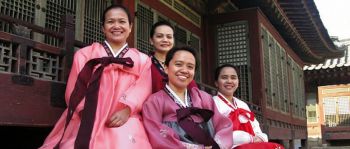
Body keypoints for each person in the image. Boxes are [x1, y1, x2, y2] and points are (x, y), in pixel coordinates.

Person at [40, 5, 152, 149]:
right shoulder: (85, 55)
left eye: (122, 22)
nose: (116, 26)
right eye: (111, 22)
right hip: (87, 115)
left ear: (130, 27)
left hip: (124, 118)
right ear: (103, 28)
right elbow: (75, 89)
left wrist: (127, 110)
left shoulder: (142, 60)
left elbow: (143, 90)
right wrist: (85, 112)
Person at [142, 46, 233, 149]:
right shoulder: (154, 101)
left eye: (190, 67)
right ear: (166, 68)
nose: (184, 70)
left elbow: (223, 125)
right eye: (178, 64)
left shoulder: (204, 98)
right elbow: (157, 136)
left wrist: (217, 146)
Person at [213, 64, 283, 149]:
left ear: (238, 82)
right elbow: (215, 134)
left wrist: (260, 137)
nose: (229, 81)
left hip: (252, 144)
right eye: (224, 77)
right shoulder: (212, 103)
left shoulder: (242, 105)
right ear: (216, 82)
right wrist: (248, 139)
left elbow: (255, 127)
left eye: (233, 78)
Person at [149, 21, 197, 93]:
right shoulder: (145, 63)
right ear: (151, 40)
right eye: (159, 36)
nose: (165, 40)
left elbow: (193, 91)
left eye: (169, 37)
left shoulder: (181, 65)